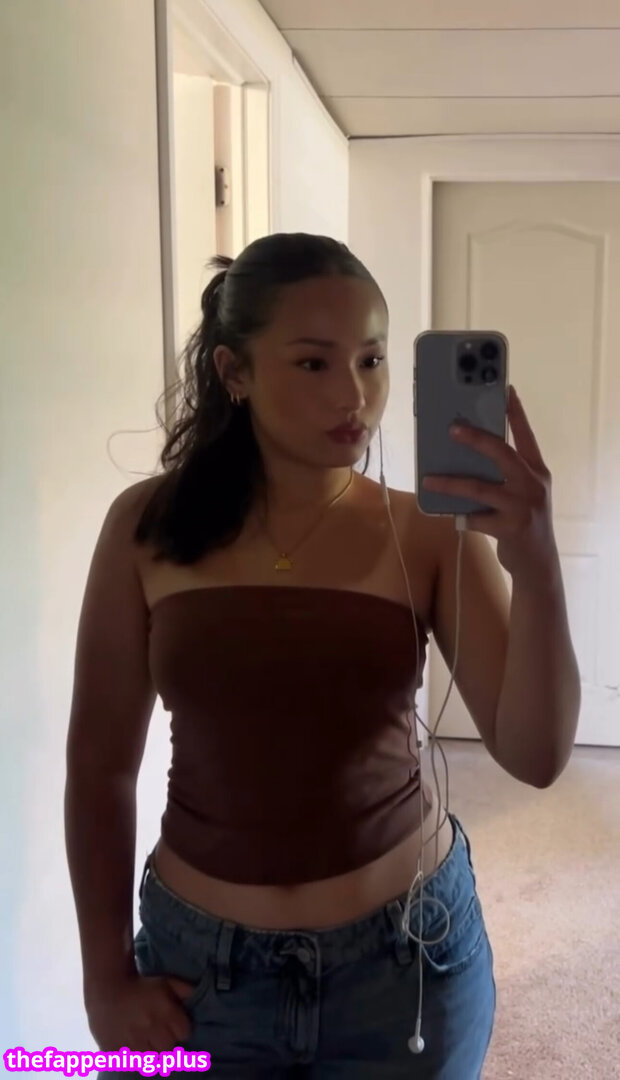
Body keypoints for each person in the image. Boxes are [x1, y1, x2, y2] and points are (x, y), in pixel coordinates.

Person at [64, 232, 580, 1078]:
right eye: (313, 363)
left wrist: (539, 565)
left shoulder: (428, 532)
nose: (356, 395)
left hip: (406, 966)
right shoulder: (145, 528)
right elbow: (99, 767)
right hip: (202, 978)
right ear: (234, 372)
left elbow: (537, 755)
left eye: (372, 360)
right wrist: (103, 977)